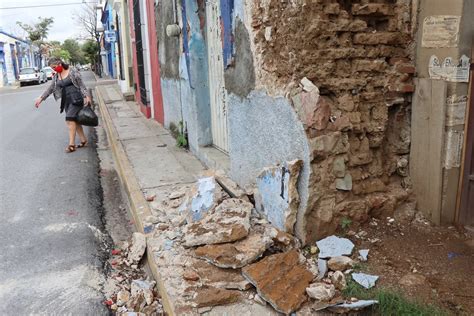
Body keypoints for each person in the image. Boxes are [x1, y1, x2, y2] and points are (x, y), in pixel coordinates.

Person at [34, 57, 92, 153]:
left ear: (60, 64)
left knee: (69, 120)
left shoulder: (72, 71)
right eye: (52, 68)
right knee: (75, 121)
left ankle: (71, 145)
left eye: (54, 67)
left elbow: (81, 85)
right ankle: (83, 140)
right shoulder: (57, 75)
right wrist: (41, 98)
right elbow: (51, 88)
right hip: (66, 101)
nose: (54, 69)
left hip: (76, 99)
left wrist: (87, 96)